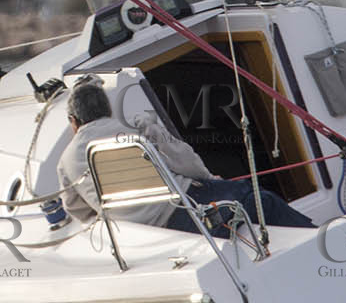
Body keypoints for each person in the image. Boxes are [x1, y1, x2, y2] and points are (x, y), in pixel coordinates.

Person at [56, 78, 315, 235]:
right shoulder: (136, 126)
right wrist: (210, 178)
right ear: (108, 109)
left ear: (73, 121)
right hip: (184, 210)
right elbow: (185, 162)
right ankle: (320, 238)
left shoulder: (65, 161)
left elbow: (76, 209)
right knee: (262, 199)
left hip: (141, 232)